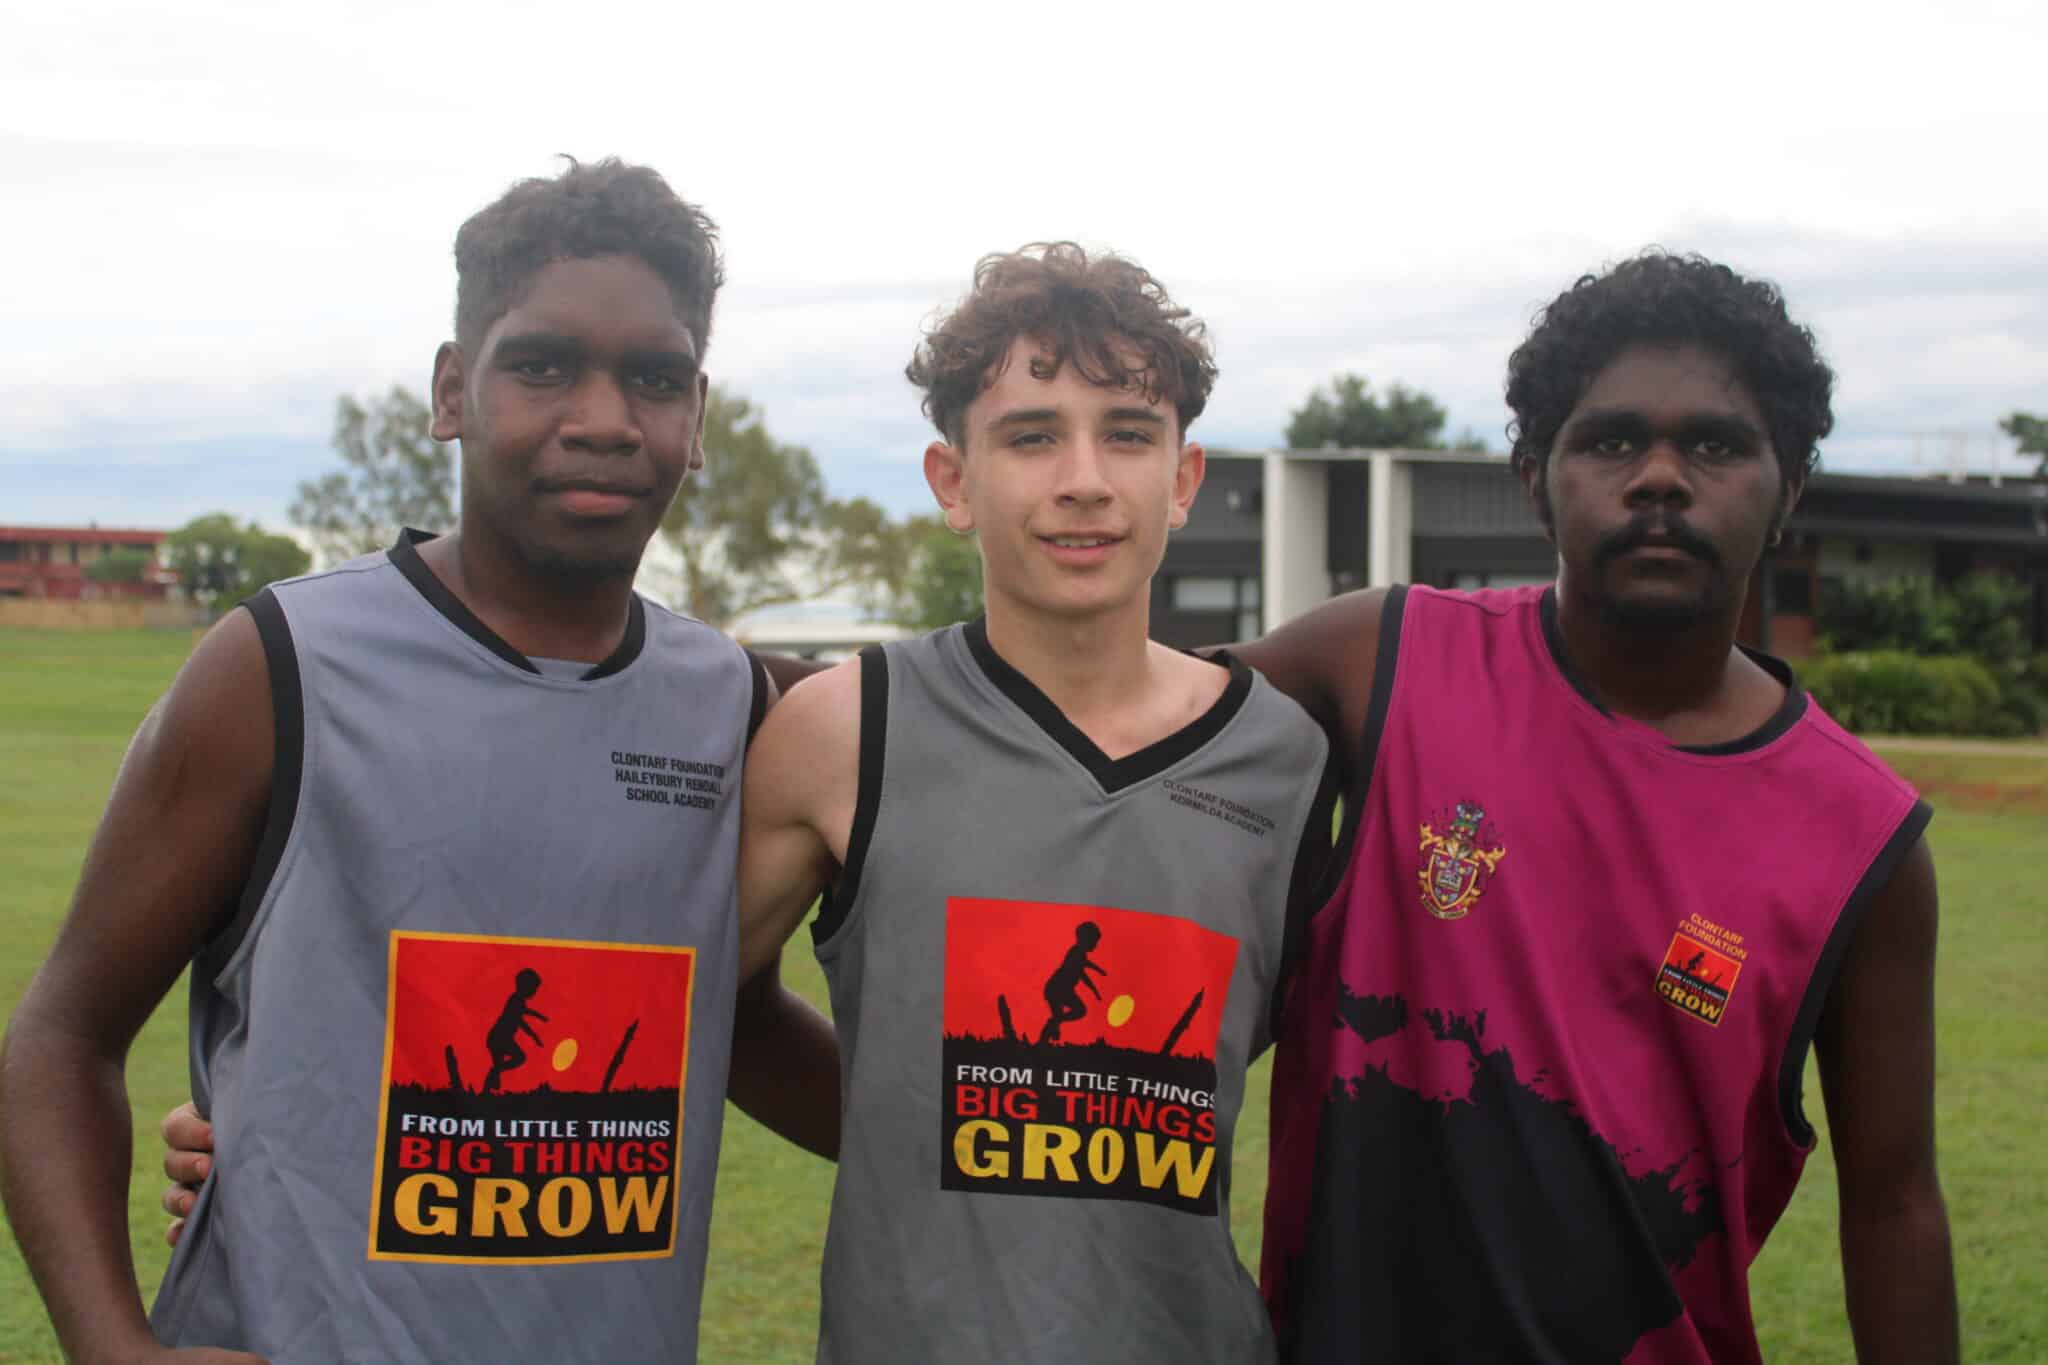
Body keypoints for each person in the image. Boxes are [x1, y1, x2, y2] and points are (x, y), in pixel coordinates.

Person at [0, 158, 835, 1365]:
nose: (603, 419)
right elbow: (61, 1038)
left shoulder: (741, 709)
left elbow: (734, 1021)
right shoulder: (279, 665)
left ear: (695, 419)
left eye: (653, 379)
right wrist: (110, 1348)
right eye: (542, 366)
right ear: (452, 390)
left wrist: (1012, 1126)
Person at [1239, 251, 1958, 1363]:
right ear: (1535, 477)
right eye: (1612, 441)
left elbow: (1894, 1203)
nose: (1660, 477)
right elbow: (1126, 723)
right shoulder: (1375, 662)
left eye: (1715, 445)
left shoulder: (1864, 837)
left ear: (1789, 490)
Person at [737, 243, 1338, 1362]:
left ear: (1183, 479)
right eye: (1030, 436)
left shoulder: (1284, 762)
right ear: (952, 482)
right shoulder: (843, 731)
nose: (1084, 478)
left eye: (1128, 433)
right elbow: (697, 1005)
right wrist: (891, 1123)